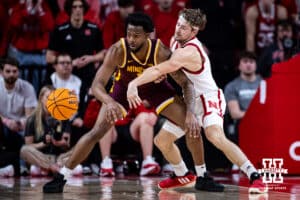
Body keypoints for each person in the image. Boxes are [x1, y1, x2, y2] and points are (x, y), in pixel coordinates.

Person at [43, 12, 222, 193]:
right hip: (123, 89)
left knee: (192, 125)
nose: (131, 39)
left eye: (136, 36)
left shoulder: (161, 52)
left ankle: (202, 176)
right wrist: (108, 101)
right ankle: (62, 176)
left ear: (148, 35)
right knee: (96, 132)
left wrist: (191, 112)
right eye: (128, 34)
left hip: (155, 89)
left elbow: (186, 83)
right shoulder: (117, 50)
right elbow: (97, 85)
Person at [126, 9, 268, 194]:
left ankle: (255, 177)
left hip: (209, 98)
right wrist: (165, 75)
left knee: (214, 135)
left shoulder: (191, 51)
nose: (177, 30)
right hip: (192, 99)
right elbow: (173, 71)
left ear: (193, 31)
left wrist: (134, 83)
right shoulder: (175, 41)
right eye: (178, 24)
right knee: (162, 140)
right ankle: (182, 175)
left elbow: (160, 68)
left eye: (183, 28)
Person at [20, 85, 83, 177]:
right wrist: (43, 143)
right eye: (48, 97)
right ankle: (57, 169)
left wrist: (58, 143)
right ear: (41, 98)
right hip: (42, 157)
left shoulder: (64, 116)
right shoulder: (32, 119)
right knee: (24, 150)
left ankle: (46, 169)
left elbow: (66, 145)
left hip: (60, 157)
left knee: (82, 147)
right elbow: (29, 145)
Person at [99, 101, 161, 177]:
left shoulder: (130, 93)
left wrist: (152, 113)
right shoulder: (105, 94)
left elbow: (141, 110)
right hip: (112, 132)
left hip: (129, 130)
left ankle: (147, 161)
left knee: (145, 117)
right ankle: (106, 163)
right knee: (105, 120)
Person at [224, 51, 262, 172]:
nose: (248, 65)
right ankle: (240, 159)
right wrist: (256, 115)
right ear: (239, 65)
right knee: (241, 123)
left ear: (256, 64)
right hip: (243, 124)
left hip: (264, 122)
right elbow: (235, 113)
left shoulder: (265, 84)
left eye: (251, 62)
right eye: (245, 62)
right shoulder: (232, 86)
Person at [0, 57, 37, 175]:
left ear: (19, 72)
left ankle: (25, 165)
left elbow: (30, 116)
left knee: (32, 128)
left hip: (21, 127)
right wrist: (6, 122)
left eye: (15, 71)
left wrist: (20, 123)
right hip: (2, 124)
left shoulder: (27, 87)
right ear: (1, 72)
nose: (11, 74)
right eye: (8, 71)